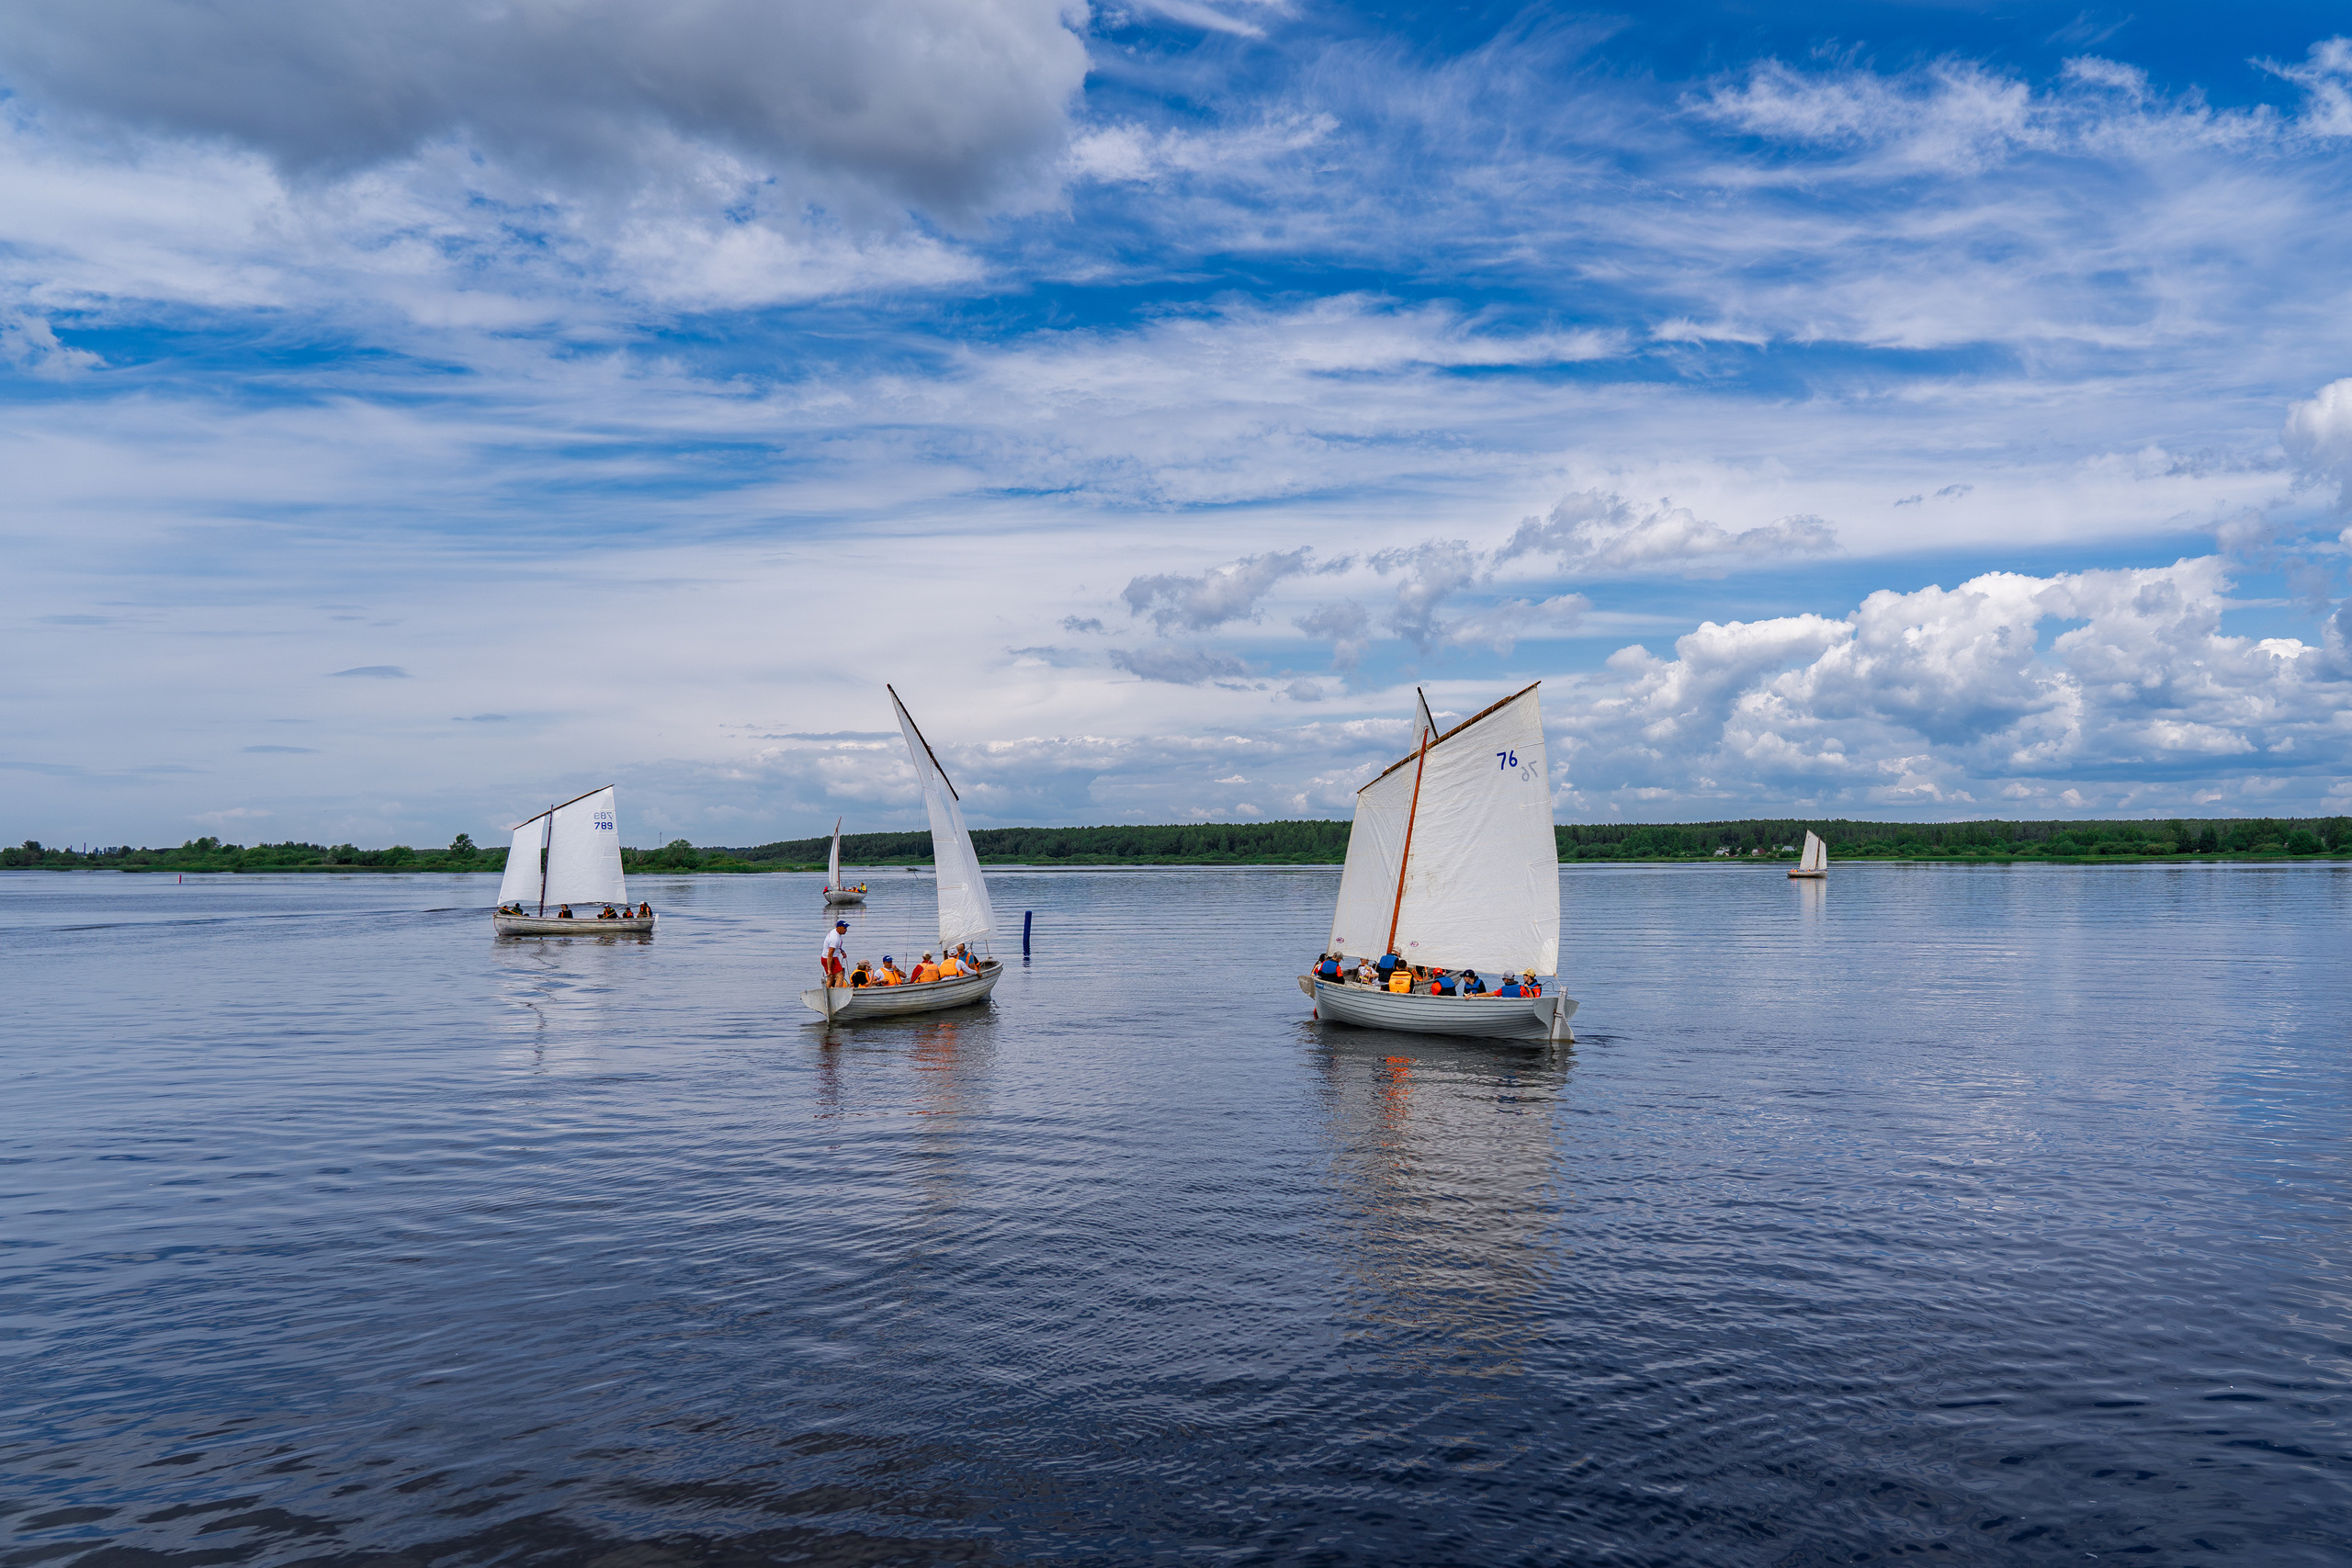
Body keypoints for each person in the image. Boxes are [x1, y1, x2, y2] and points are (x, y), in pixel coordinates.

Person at [822, 919, 850, 987]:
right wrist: (829, 969)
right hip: (830, 959)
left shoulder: (835, 932)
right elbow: (830, 955)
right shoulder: (835, 938)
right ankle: (837, 992)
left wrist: (841, 950)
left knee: (831, 977)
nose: (846, 930)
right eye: (844, 928)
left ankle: (826, 992)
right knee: (840, 975)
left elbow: (836, 946)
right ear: (839, 928)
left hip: (825, 958)